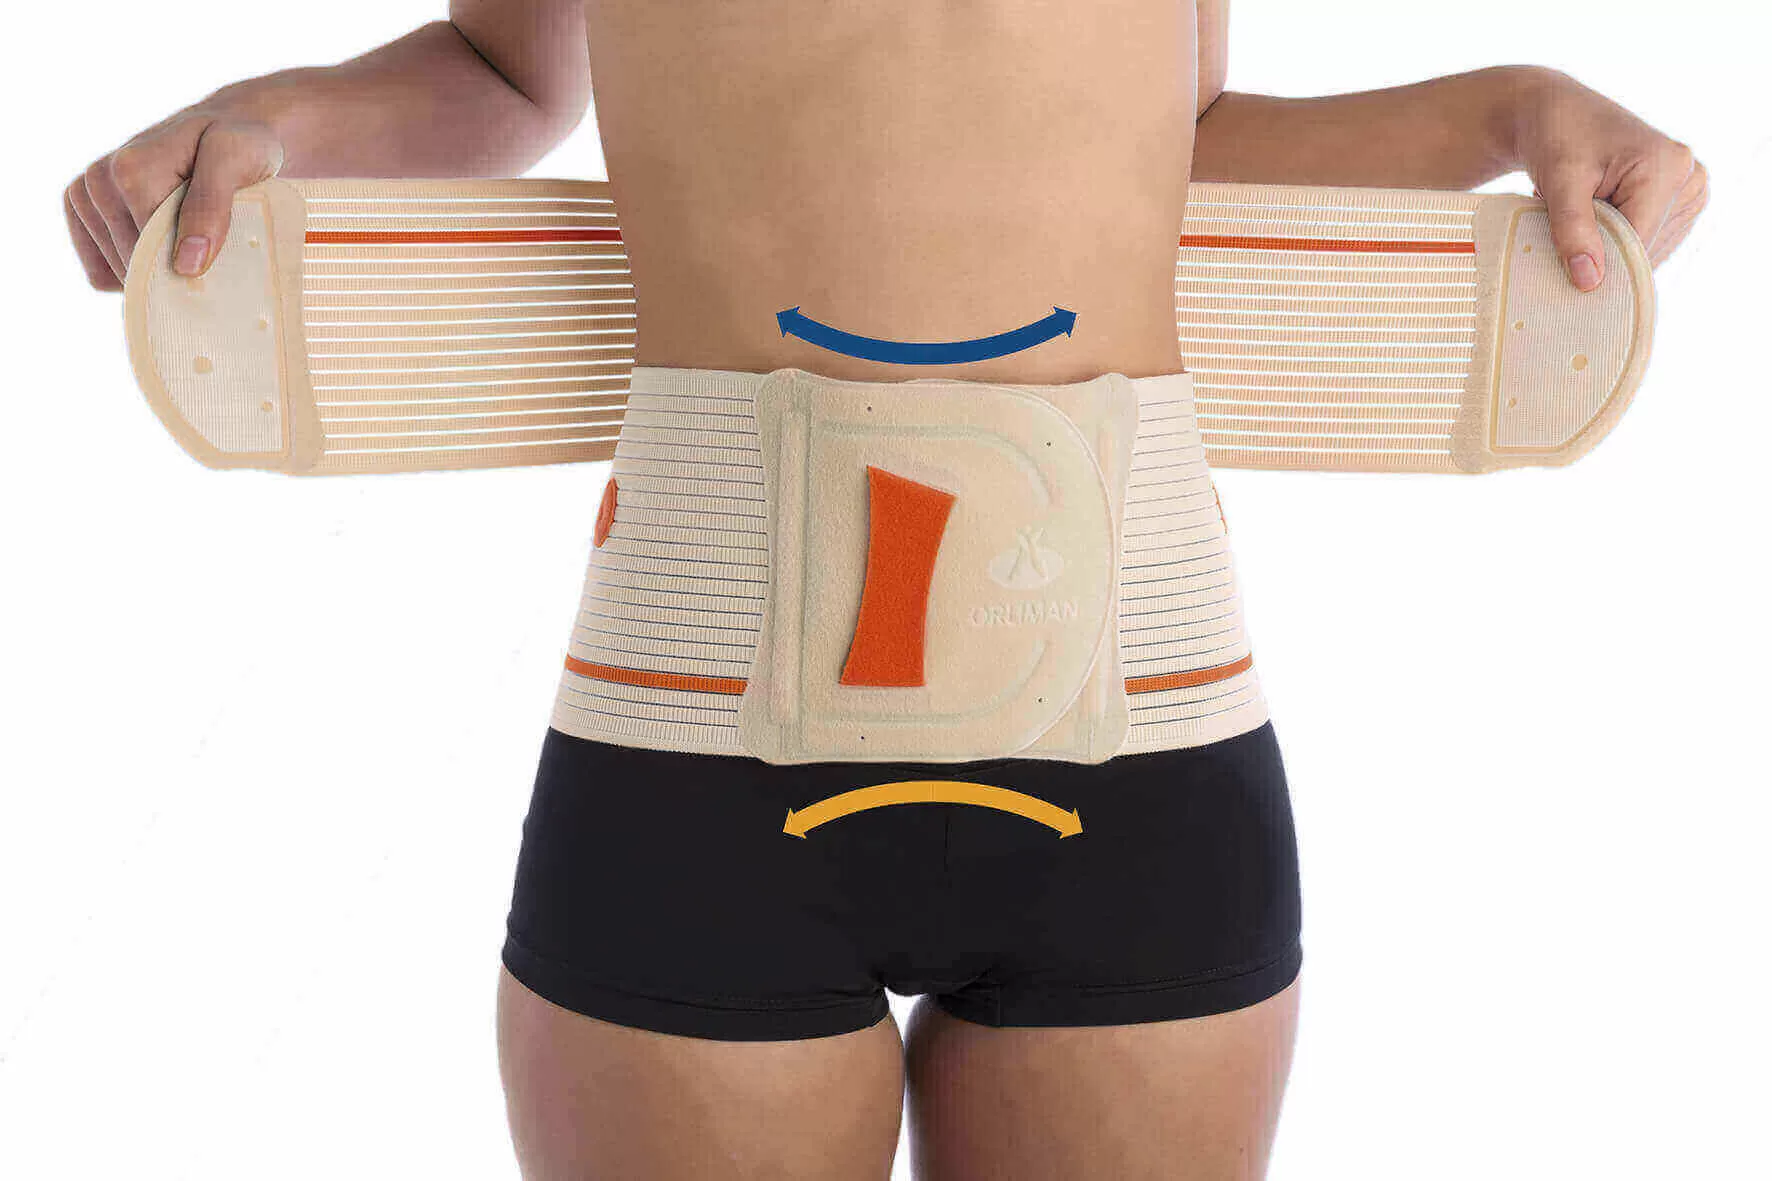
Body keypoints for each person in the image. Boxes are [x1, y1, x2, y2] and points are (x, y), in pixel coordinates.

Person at [63, 2, 1707, 1177]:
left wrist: (1513, 107)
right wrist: (274, 123)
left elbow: (1187, 142)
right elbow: (503, 69)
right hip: (698, 731)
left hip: (1138, 717)